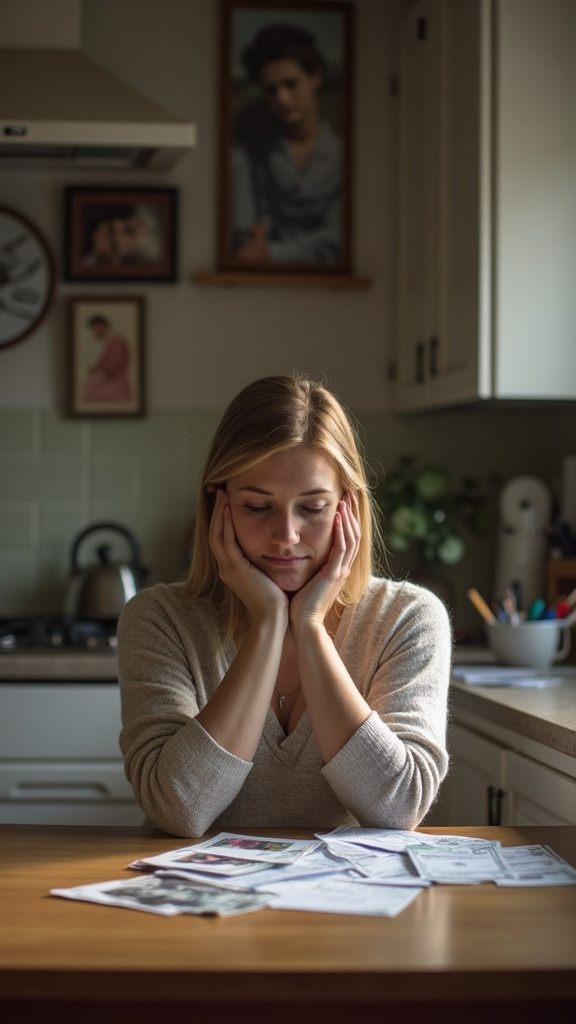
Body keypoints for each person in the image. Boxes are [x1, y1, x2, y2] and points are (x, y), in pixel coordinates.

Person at [117, 375, 451, 838]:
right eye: (257, 506)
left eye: (312, 508)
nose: (287, 536)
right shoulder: (159, 618)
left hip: (347, 902)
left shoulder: (407, 619)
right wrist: (269, 624)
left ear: (346, 509)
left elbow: (397, 810)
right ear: (220, 505)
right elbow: (177, 809)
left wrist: (309, 626)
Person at [231, 23, 342, 265]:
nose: (282, 99)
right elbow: (249, 223)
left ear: (315, 77)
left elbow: (336, 238)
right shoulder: (254, 149)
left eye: (291, 84)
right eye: (272, 90)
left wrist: (274, 252)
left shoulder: (340, 155)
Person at [83, 315, 132, 403]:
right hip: (112, 381)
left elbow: (112, 364)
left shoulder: (115, 342)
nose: (93, 332)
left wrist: (98, 369)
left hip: (116, 384)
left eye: (94, 329)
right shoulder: (111, 342)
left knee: (90, 390)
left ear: (100, 327)